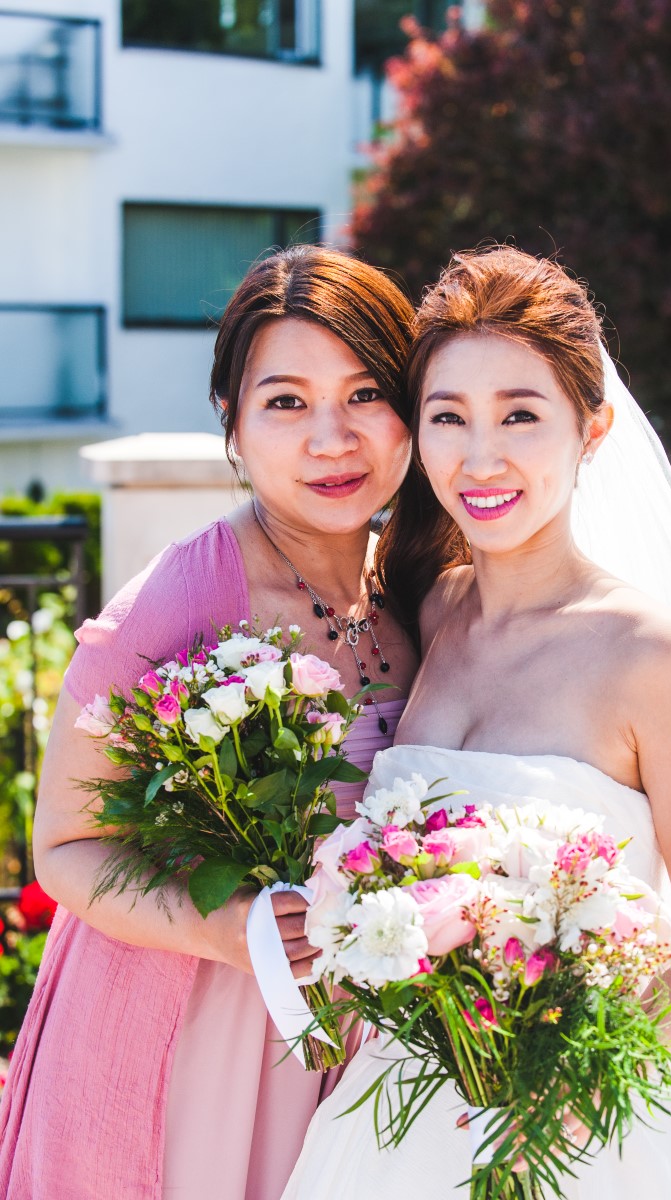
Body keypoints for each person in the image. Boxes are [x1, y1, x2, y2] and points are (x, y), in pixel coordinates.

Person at [282, 246, 671, 1198]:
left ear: (591, 429)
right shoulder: (427, 610)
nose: (480, 458)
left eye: (520, 415)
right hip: (400, 1111)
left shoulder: (651, 656)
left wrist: (570, 1092)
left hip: (579, 1128)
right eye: (448, 417)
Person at [0, 245, 419, 1200]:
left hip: (366, 1047)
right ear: (231, 419)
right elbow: (63, 845)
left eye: (365, 394)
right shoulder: (178, 603)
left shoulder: (421, 586)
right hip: (193, 1035)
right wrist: (232, 930)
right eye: (286, 402)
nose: (332, 439)